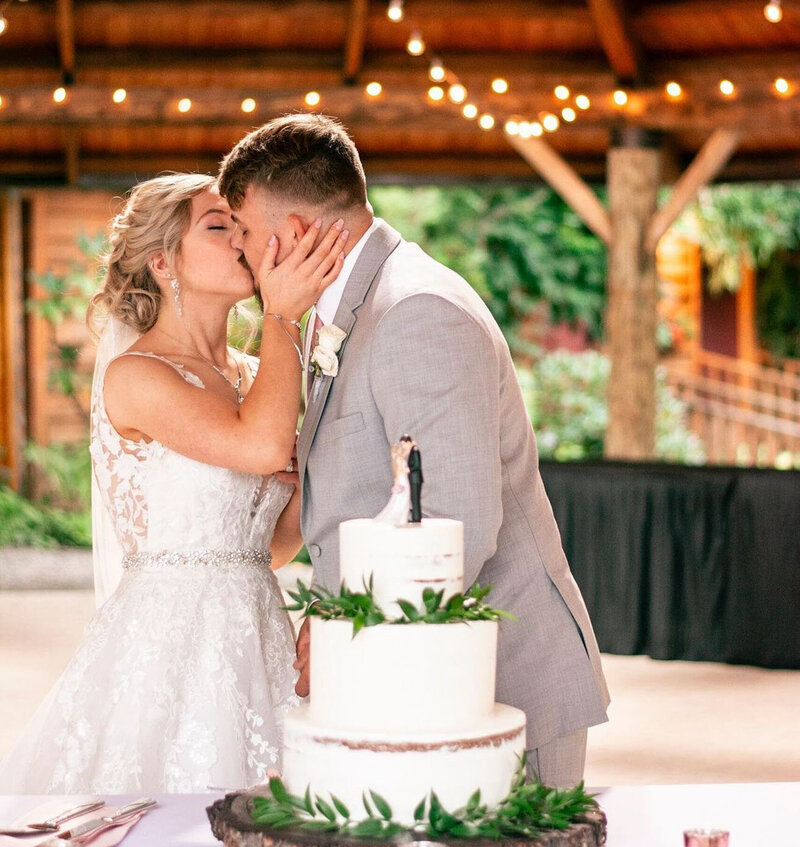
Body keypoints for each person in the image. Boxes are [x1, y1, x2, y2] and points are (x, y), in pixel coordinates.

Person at [218, 114, 611, 788]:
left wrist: (344, 625)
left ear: (295, 235)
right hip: (417, 680)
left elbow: (455, 523)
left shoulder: (415, 311)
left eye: (247, 235)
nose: (241, 255)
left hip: (494, 690)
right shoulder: (351, 308)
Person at [0, 173, 347, 793]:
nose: (242, 240)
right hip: (170, 645)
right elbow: (262, 446)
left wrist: (300, 484)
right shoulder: (138, 376)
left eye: (241, 225)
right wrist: (286, 314)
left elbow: (265, 547)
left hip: (258, 628)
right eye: (219, 227)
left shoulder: (251, 374)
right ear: (163, 261)